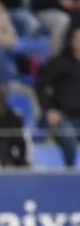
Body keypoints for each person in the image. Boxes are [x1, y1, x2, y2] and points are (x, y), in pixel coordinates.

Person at [34, 27, 80, 167]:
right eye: (77, 38)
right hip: (63, 115)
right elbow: (40, 85)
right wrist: (49, 109)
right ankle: (70, 174)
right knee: (68, 139)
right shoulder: (59, 62)